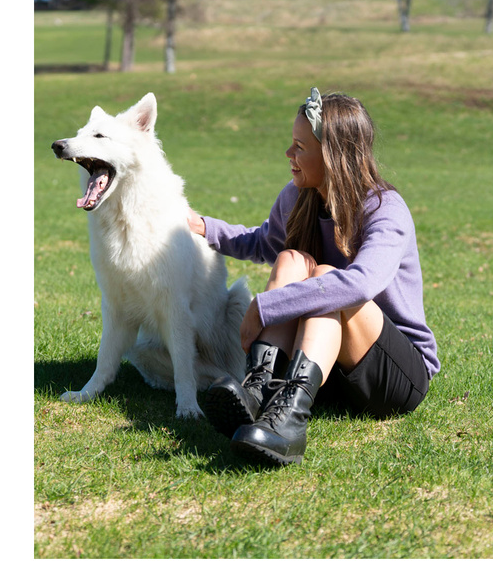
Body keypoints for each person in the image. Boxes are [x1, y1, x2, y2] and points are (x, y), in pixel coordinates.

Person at [187, 88, 439, 467]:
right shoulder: (297, 198)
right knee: (292, 258)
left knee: (327, 278)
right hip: (326, 370)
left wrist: (265, 306)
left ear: (333, 155)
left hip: (395, 378)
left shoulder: (385, 209)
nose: (289, 154)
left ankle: (289, 427)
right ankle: (261, 389)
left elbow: (360, 284)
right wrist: (204, 227)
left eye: (300, 146)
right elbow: (263, 242)